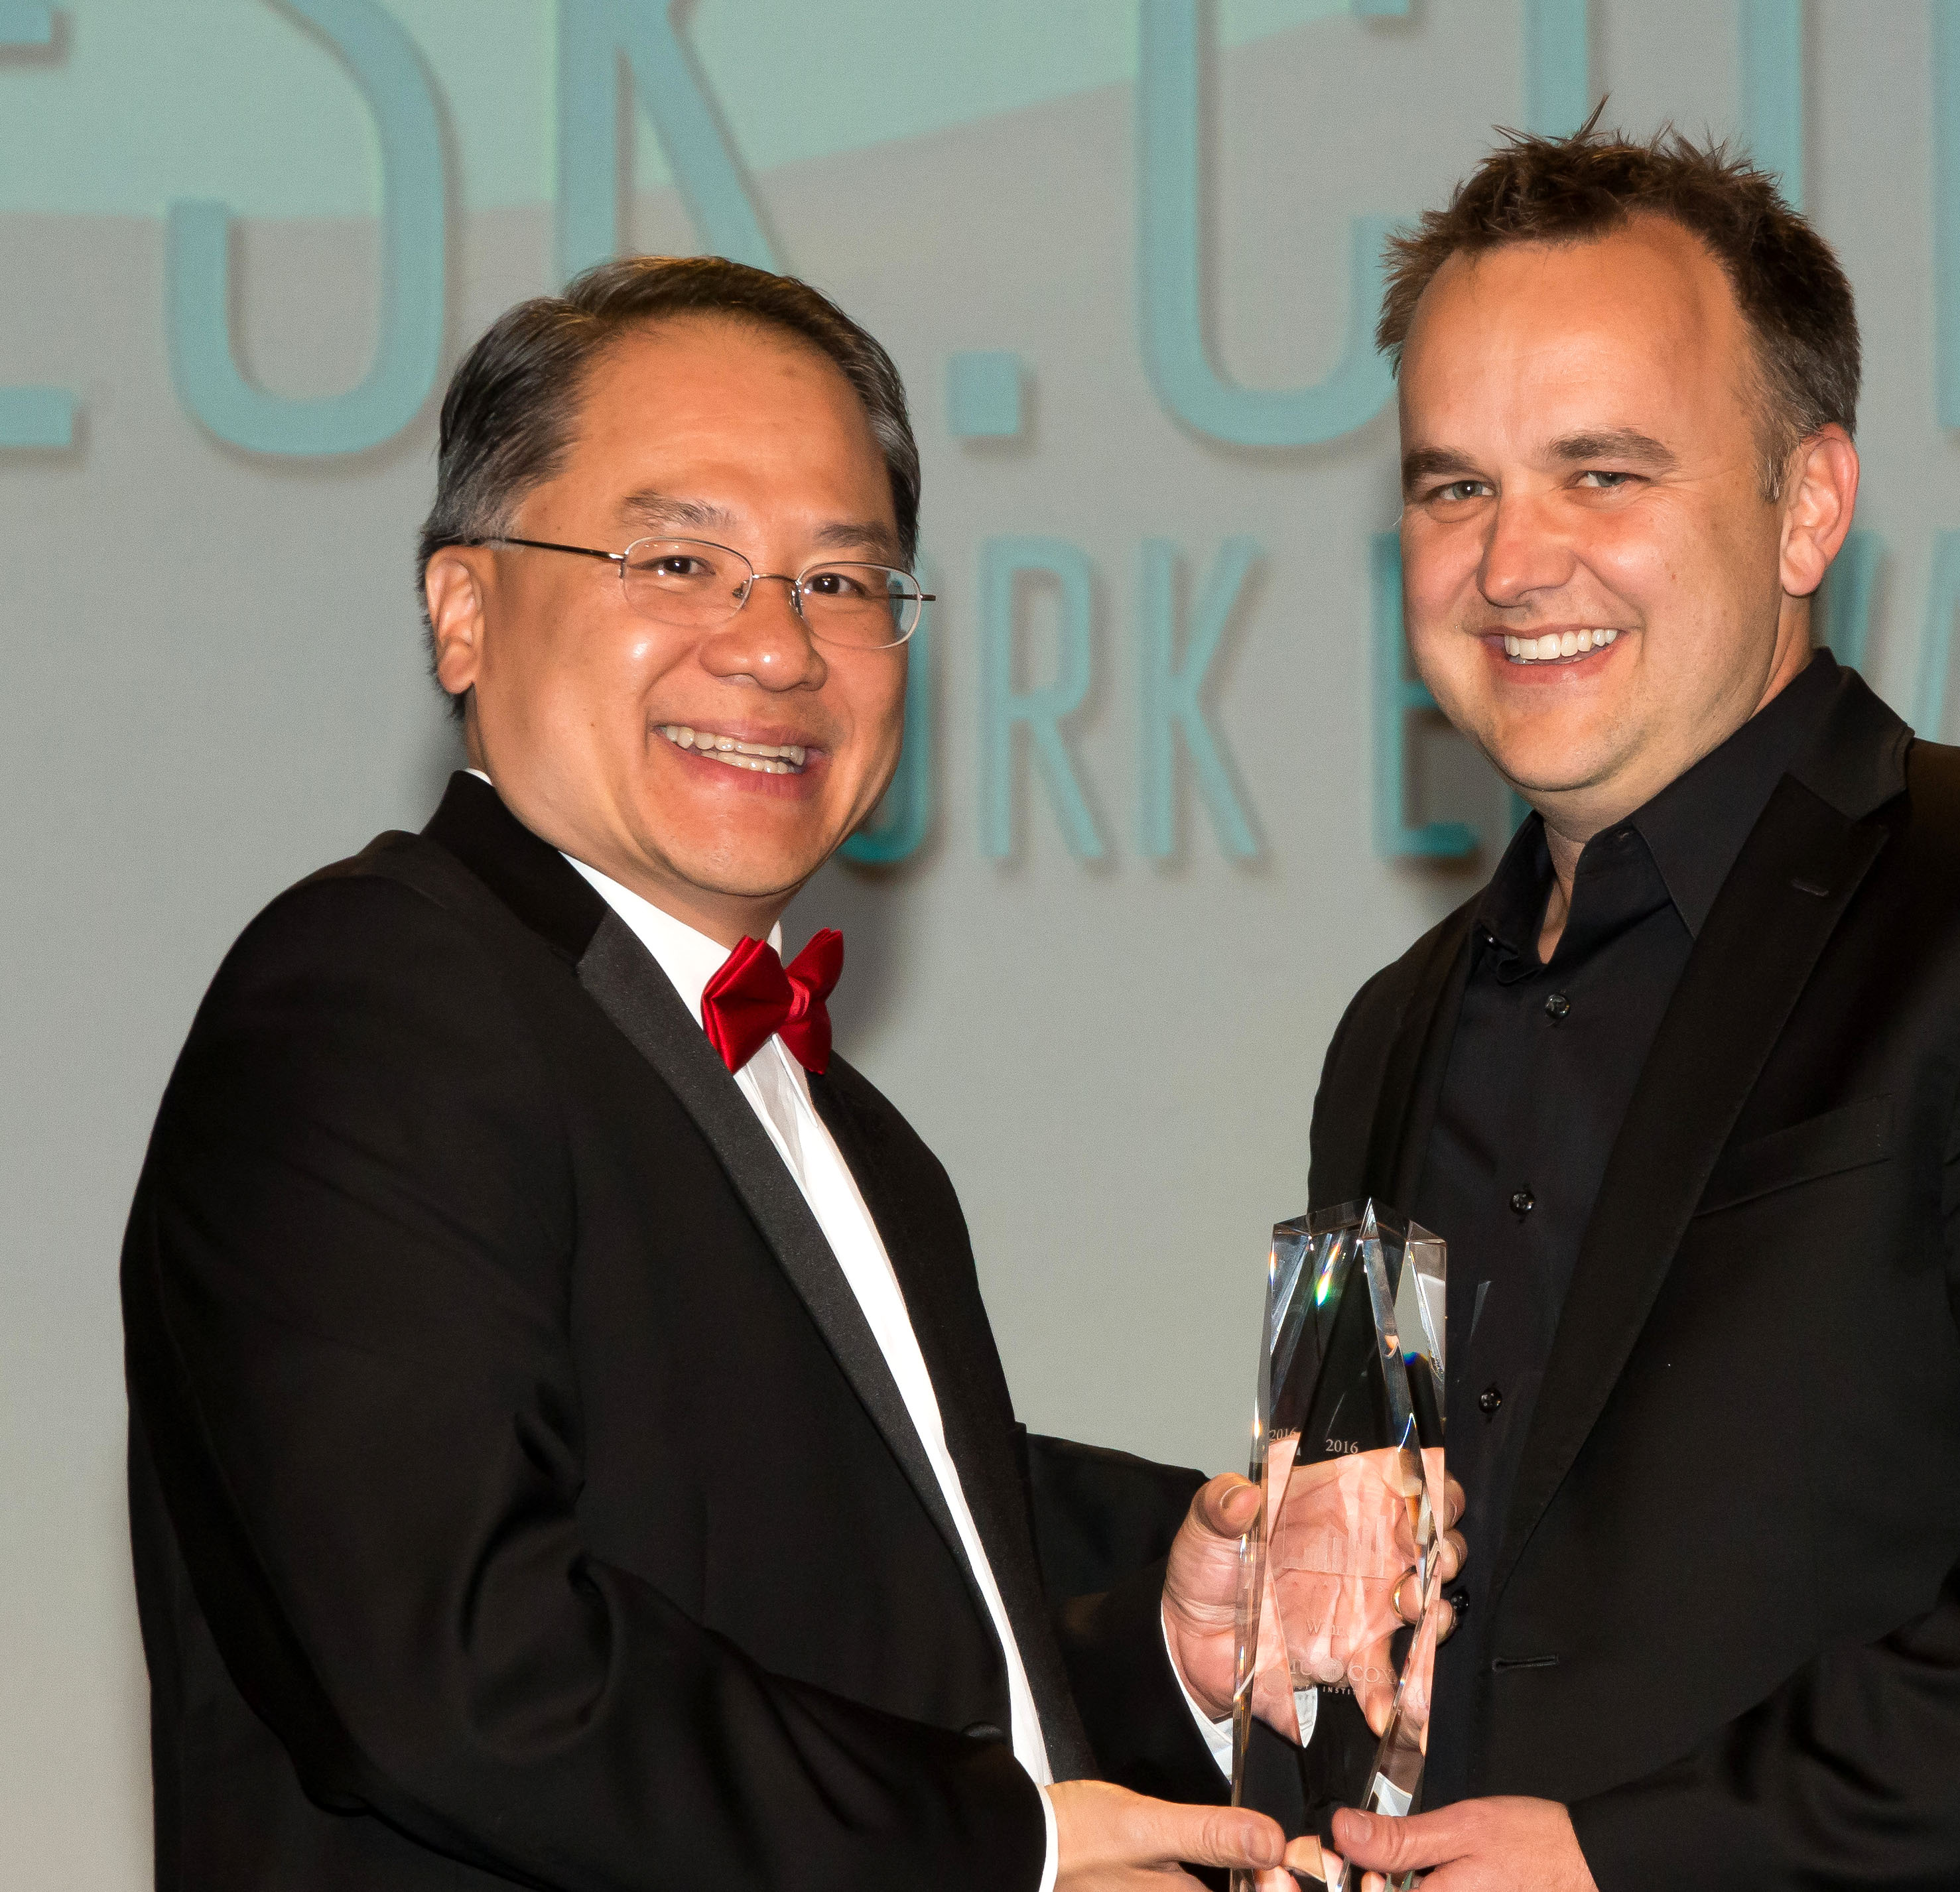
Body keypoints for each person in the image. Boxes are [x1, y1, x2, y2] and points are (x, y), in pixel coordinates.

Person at [119, 257, 1390, 1891]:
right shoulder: (375, 997)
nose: (778, 648)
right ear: (462, 611)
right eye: (679, 559)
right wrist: (995, 1849)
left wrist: (1168, 1621)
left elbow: (845, 1599)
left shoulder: (852, 1136)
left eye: (844, 583)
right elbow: (455, 1667)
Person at [1306, 125, 1960, 1890]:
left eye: (1601, 474)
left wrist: (1639, 1859)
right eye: (1452, 486)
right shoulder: (1393, 1033)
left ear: (1808, 505)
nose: (1509, 563)